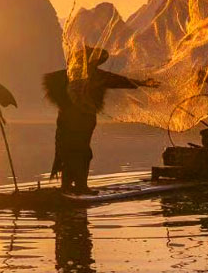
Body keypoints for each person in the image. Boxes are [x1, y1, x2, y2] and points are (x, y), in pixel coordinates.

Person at [43, 46, 158, 194]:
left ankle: (69, 186)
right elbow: (117, 80)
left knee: (68, 151)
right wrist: (142, 83)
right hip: (79, 121)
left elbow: (118, 80)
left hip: (71, 120)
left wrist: (141, 83)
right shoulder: (88, 75)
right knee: (81, 153)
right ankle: (80, 187)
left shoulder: (70, 75)